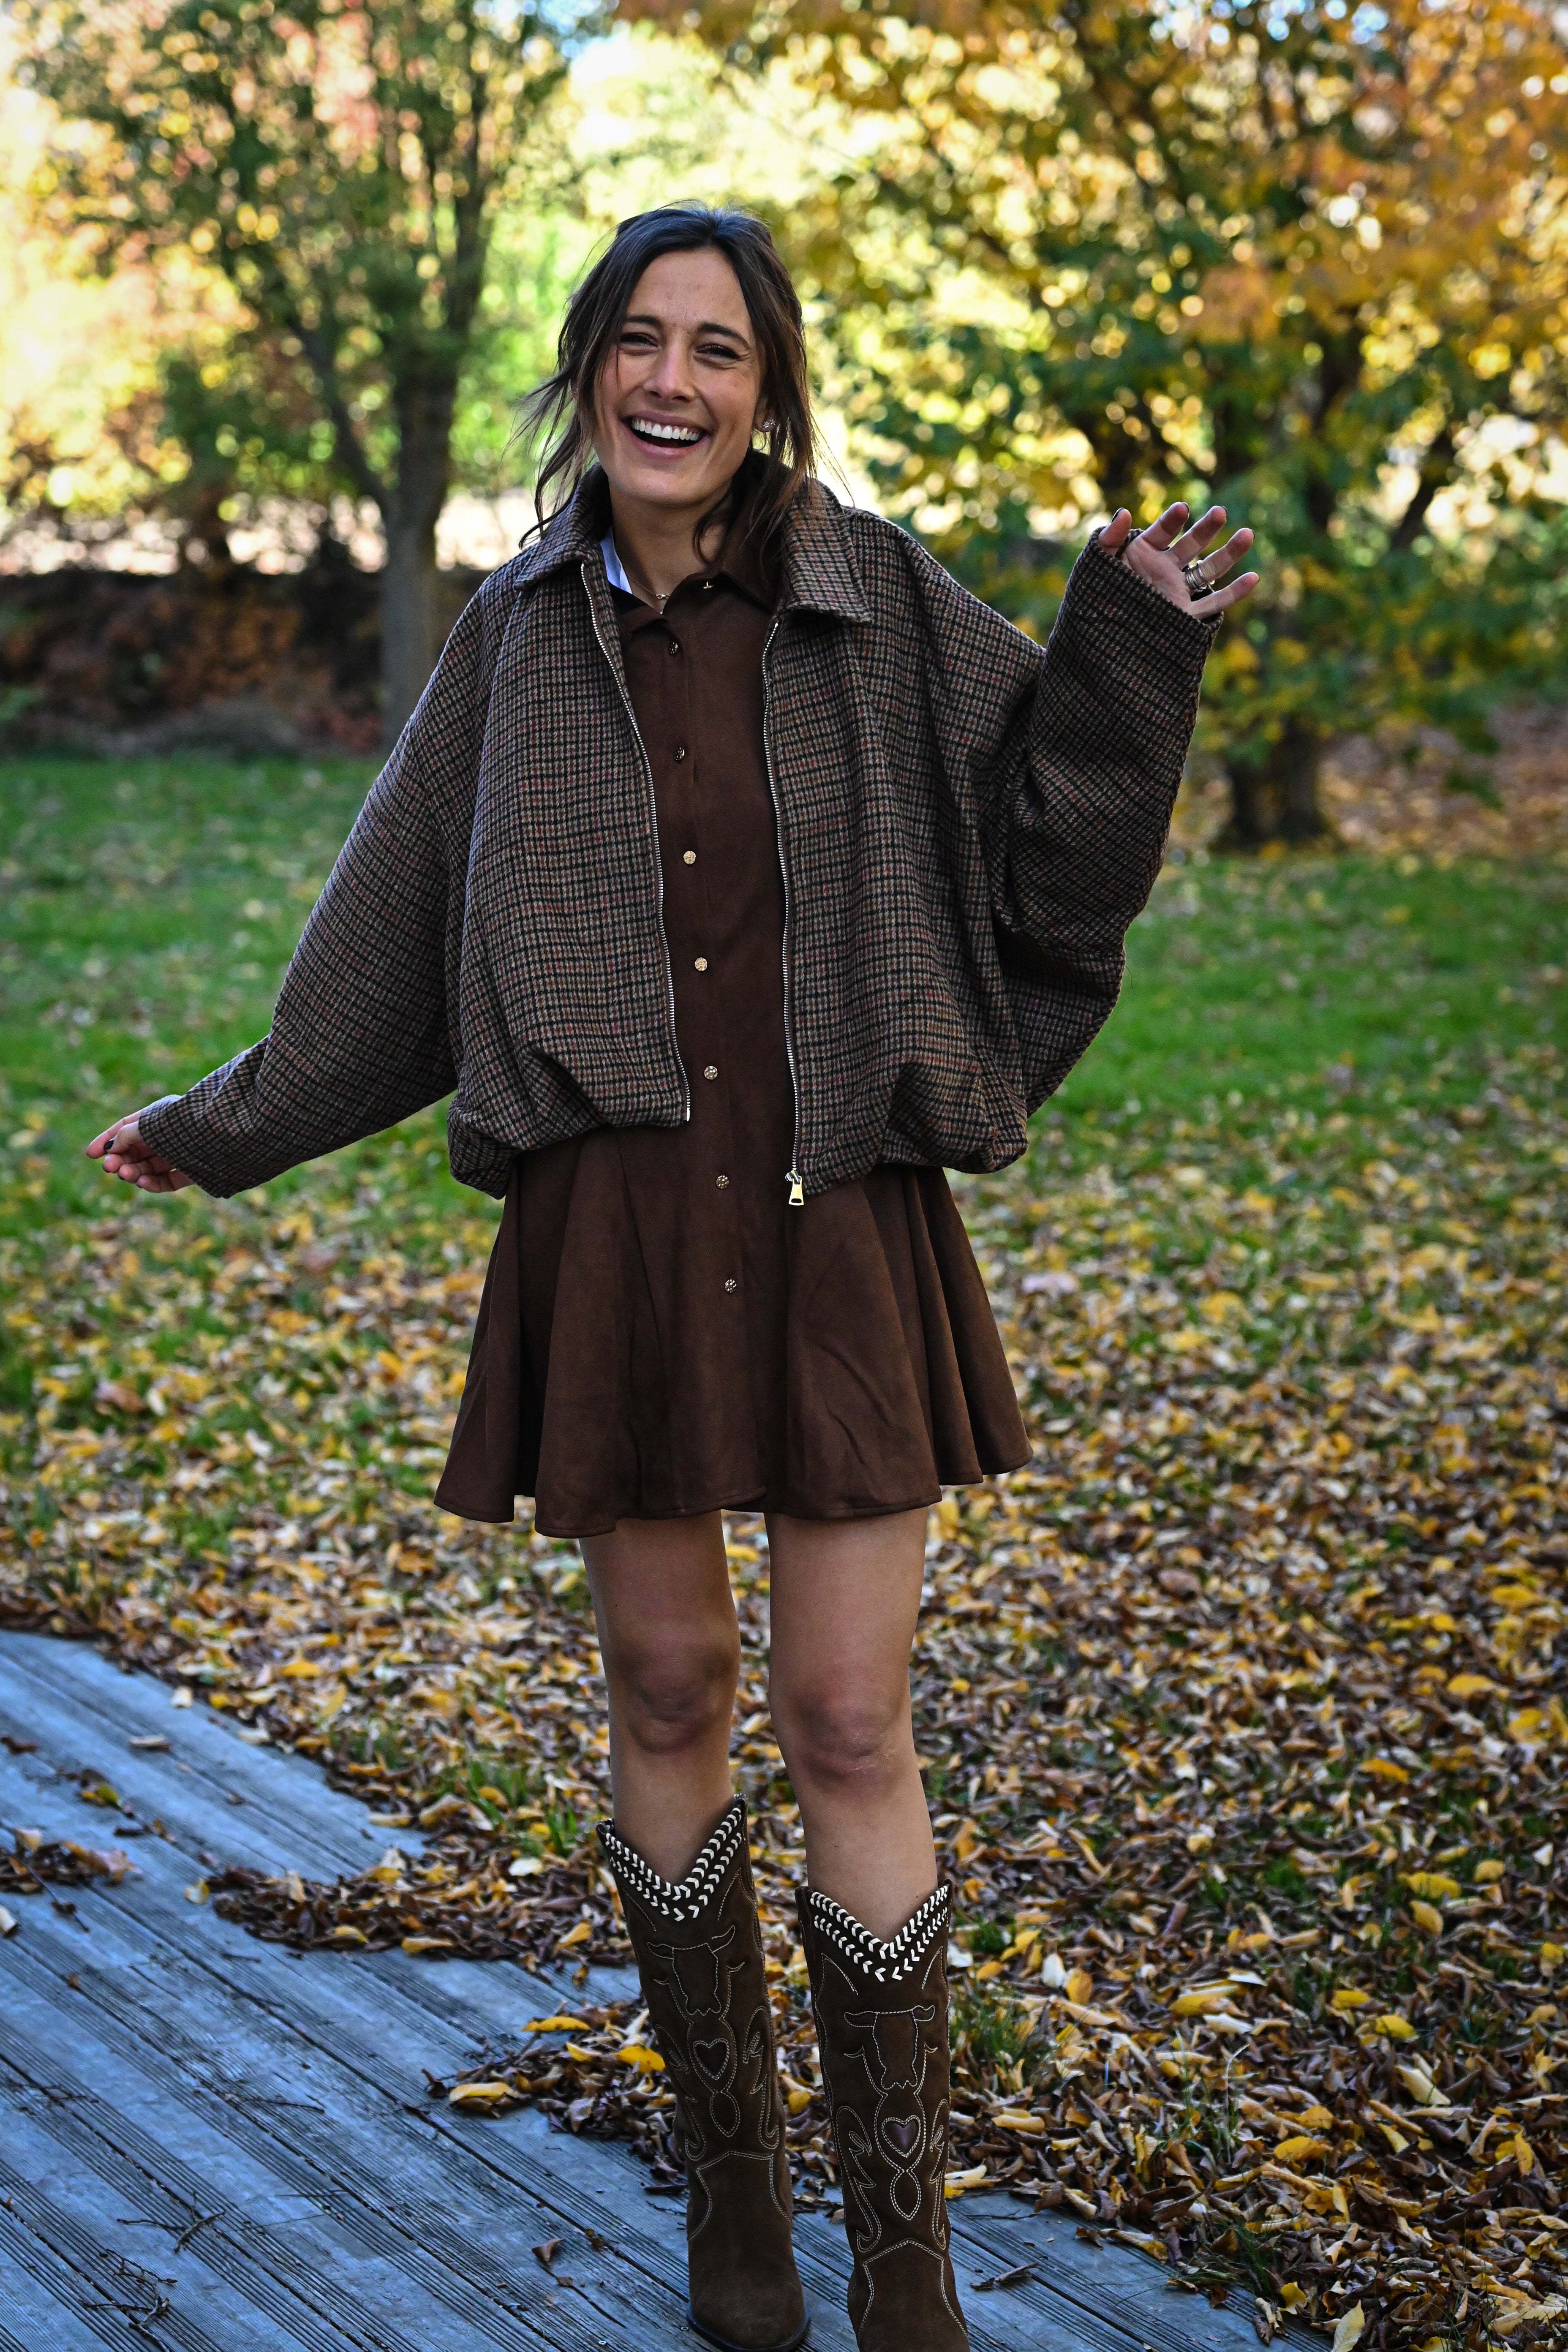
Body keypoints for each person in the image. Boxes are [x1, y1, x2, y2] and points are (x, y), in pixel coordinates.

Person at [88, 203, 1258, 2352]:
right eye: (642, 339)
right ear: (589, 369)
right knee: (666, 1690)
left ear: (766, 390)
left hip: (840, 1216)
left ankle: (899, 2253)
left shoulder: (870, 594)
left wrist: (1129, 649)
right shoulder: (515, 636)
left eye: (719, 349)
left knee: (846, 1713)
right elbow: (386, 941)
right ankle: (735, 2199)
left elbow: (1052, 844)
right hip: (614, 1220)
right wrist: (226, 1125)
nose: (674, 382)